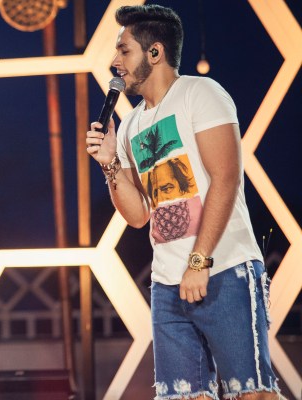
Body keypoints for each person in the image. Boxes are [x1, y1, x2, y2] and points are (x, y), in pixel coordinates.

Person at [86, 5, 284, 399]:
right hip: (166, 284)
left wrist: (200, 260)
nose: (114, 62)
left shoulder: (200, 93)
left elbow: (226, 179)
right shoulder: (130, 125)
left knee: (252, 392)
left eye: (124, 50)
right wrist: (111, 164)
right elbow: (139, 214)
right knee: (181, 395)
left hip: (223, 269)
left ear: (154, 52)